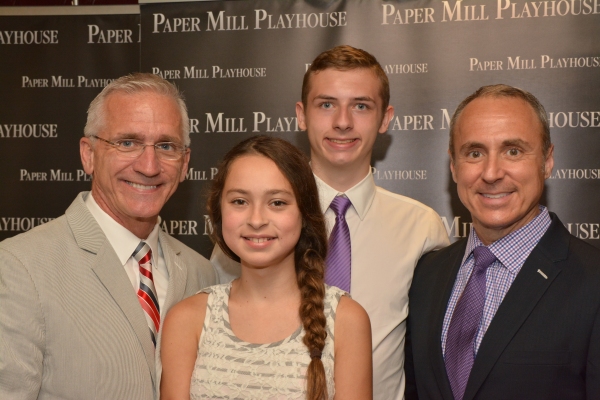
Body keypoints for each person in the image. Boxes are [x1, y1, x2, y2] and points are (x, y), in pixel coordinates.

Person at [211, 45, 450, 400]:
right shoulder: (254, 229)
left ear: (386, 118)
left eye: (361, 105)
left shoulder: (422, 227)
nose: (342, 121)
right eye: (326, 104)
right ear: (301, 115)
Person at [0, 73, 216, 400]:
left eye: (166, 146)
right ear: (88, 154)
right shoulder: (21, 267)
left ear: (184, 163)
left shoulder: (202, 273)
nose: (149, 165)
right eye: (127, 142)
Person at [404, 84, 600, 400]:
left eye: (513, 151)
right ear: (453, 166)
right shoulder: (427, 274)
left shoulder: (593, 282)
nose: (492, 173)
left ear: (547, 161)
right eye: (475, 153)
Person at [160, 135, 372, 400]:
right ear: (218, 211)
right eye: (240, 201)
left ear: (304, 214)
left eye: (277, 203)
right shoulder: (187, 319)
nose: (257, 219)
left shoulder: (346, 320)